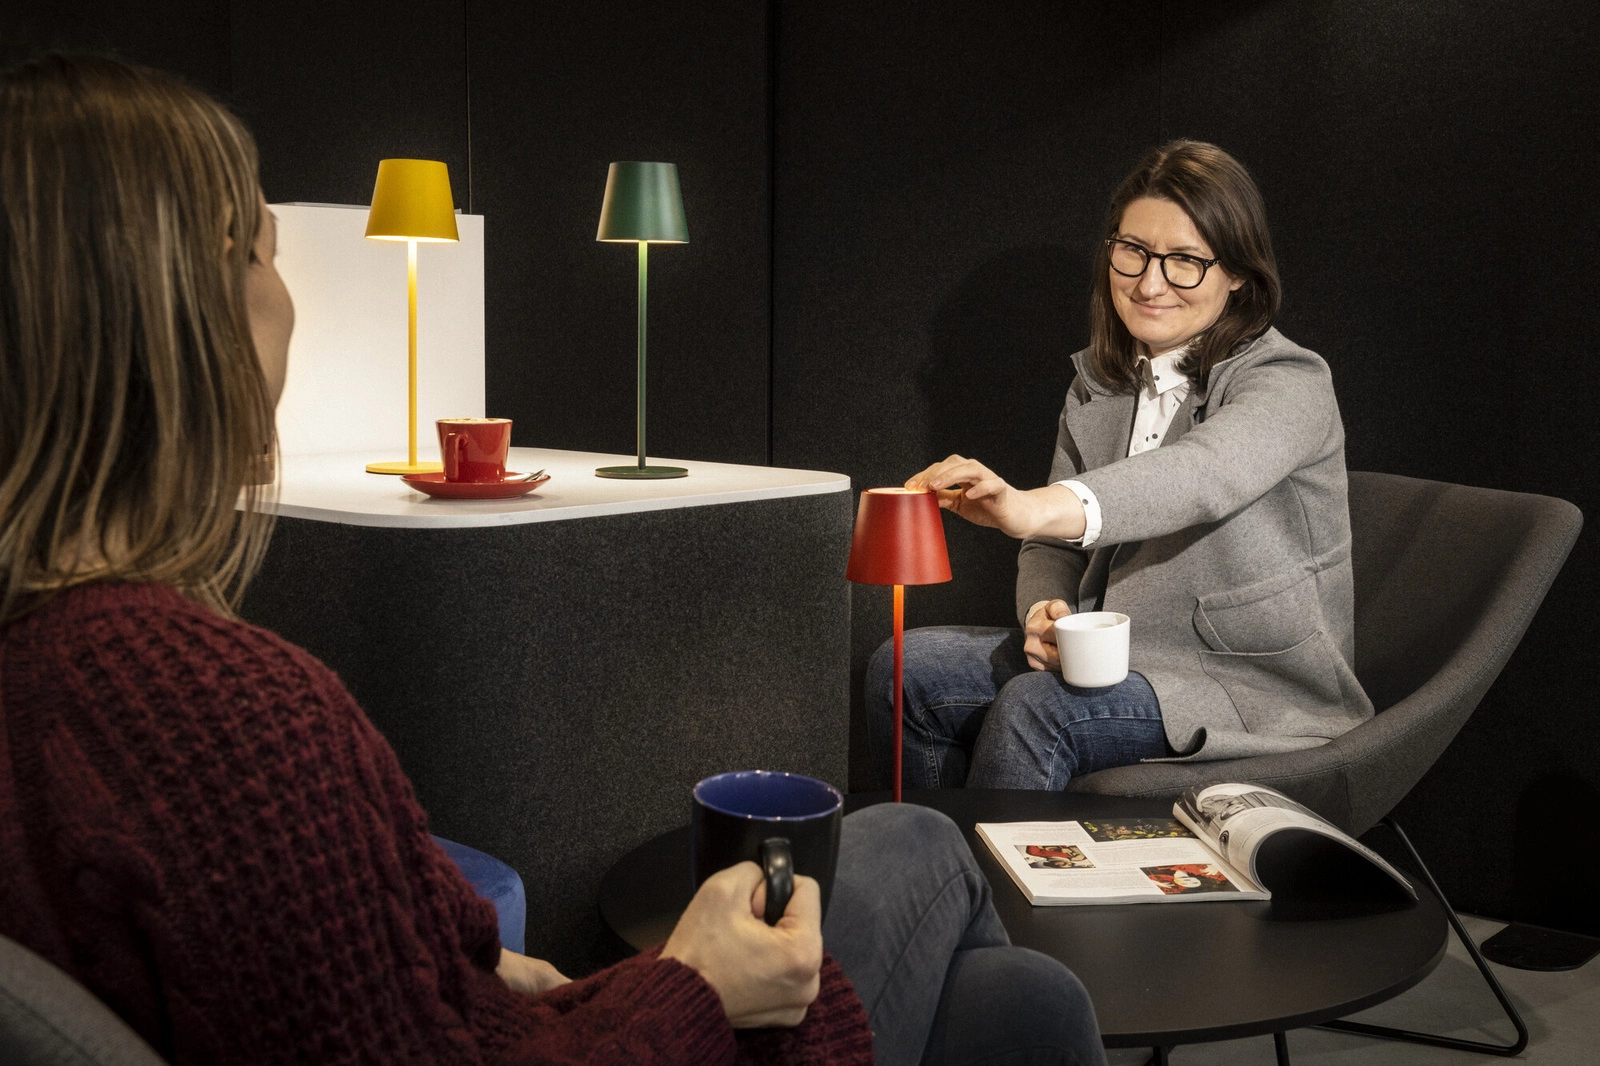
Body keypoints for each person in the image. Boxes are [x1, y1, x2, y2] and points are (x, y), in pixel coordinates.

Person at [0, 55, 1106, 1066]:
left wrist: (474, 968)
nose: (285, 296)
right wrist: (692, 984)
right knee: (918, 841)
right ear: (180, 319)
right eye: (262, 251)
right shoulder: (227, 716)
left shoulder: (60, 682)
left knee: (1017, 1001)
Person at [869, 140, 1373, 792]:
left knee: (1036, 710)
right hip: (1116, 658)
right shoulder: (1099, 386)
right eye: (1133, 251)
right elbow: (1051, 547)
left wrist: (1029, 505)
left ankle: (990, 865)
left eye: (1185, 261)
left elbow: (1203, 474)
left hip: (1241, 678)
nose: (1149, 283)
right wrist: (1044, 612)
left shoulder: (1289, 379)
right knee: (904, 669)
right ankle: (930, 853)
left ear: (1238, 274)